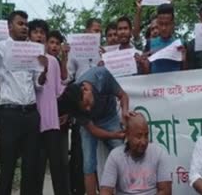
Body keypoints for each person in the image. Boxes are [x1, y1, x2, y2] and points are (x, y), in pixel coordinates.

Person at [0, 10, 48, 195]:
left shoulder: (33, 49)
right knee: (7, 166)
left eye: (26, 24)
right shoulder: (1, 47)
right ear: (9, 27)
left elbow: (38, 84)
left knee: (30, 167)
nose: (25, 27)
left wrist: (44, 69)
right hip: (10, 115)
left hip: (31, 114)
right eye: (20, 23)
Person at [58, 66, 132, 195]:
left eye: (87, 103)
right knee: (88, 164)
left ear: (85, 89)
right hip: (90, 125)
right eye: (84, 108)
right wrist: (114, 135)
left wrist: (125, 112)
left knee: (122, 156)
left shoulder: (101, 76)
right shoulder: (74, 101)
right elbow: (92, 130)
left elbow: (123, 95)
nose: (87, 109)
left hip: (110, 118)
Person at [28, 19, 70, 195]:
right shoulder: (24, 59)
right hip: (32, 122)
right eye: (35, 32)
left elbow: (60, 90)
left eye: (42, 33)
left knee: (57, 168)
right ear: (30, 35)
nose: (39, 35)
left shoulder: (52, 61)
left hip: (51, 123)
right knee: (35, 170)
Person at [100, 113, 172, 195]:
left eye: (146, 135)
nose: (143, 141)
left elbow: (166, 191)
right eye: (139, 136)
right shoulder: (115, 156)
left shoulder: (159, 153)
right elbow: (105, 191)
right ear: (127, 135)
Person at [147, 3, 186, 73]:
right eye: (161, 24)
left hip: (176, 83)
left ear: (173, 24)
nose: (163, 28)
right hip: (155, 83)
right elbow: (145, 73)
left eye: (167, 24)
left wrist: (184, 58)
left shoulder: (181, 44)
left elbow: (187, 72)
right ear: (157, 23)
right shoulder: (150, 44)